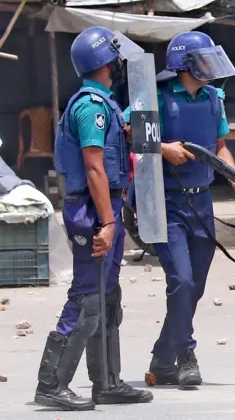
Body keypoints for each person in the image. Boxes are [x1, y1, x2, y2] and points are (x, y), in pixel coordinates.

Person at [124, 31, 235, 389]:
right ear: (184, 65)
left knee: (193, 288)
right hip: (165, 202)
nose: (211, 67)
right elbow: (125, 130)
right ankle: (186, 355)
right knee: (180, 281)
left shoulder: (215, 97)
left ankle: (162, 360)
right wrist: (163, 149)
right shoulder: (155, 97)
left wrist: (234, 175)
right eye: (203, 60)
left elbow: (221, 147)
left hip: (202, 201)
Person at [35, 26, 153, 411]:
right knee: (87, 297)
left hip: (104, 206)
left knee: (107, 296)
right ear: (104, 62)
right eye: (114, 57)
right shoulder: (90, 106)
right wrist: (107, 222)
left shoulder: (107, 104)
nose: (119, 63)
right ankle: (51, 384)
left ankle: (107, 383)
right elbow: (94, 168)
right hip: (91, 209)